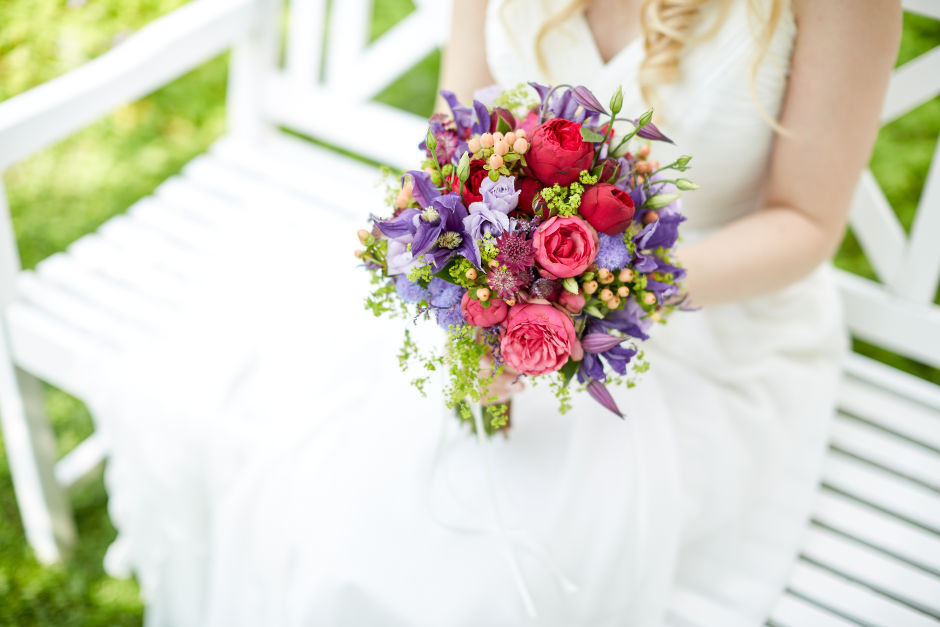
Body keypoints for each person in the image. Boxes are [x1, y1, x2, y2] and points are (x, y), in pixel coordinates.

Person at [94, 0, 900, 625]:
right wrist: (482, 287)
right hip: (501, 279)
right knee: (270, 453)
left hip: (713, 324)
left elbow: (806, 224)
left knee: (477, 571)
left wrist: (589, 297)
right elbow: (458, 124)